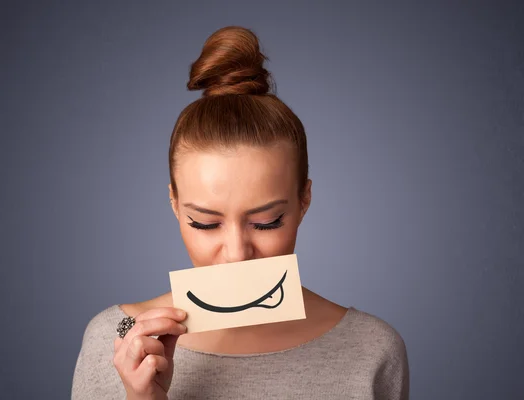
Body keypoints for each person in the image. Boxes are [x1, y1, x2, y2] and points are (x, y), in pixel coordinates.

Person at [71, 26, 409, 400]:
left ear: (304, 201)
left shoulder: (372, 349)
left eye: (266, 222)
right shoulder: (116, 338)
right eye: (205, 222)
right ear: (174, 204)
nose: (236, 253)